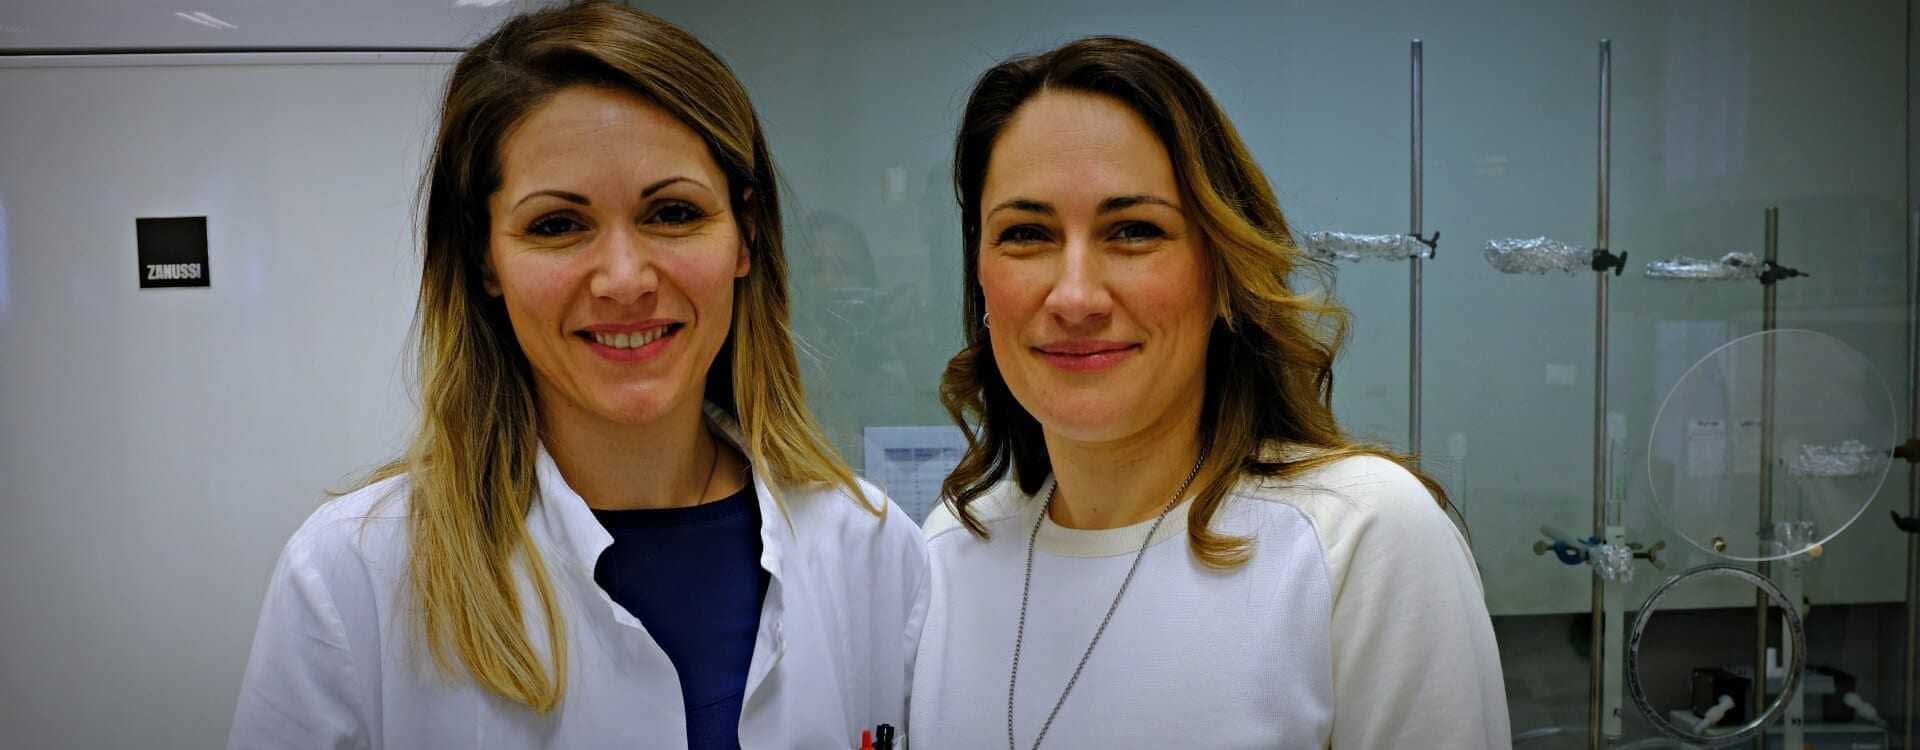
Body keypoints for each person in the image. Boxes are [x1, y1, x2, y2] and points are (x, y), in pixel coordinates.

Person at [228, 3, 928, 747]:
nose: (625, 280)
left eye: (673, 213)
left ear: (745, 236)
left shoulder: (875, 552)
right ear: (484, 262)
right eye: (558, 225)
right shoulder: (352, 579)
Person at [910, 36, 1509, 748]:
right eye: (1026, 233)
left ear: (1224, 273)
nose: (1074, 296)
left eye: (1134, 231)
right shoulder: (956, 544)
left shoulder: (1361, 539)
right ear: (979, 274)